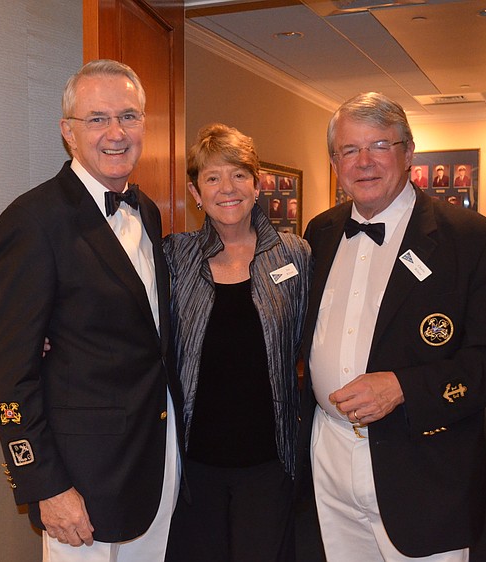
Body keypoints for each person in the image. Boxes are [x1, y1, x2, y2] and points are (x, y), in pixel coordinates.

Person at [298, 92, 486, 561]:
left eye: (379, 145)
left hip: (422, 463)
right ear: (334, 161)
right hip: (330, 455)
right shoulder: (320, 232)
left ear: (408, 152)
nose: (364, 162)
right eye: (348, 150)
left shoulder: (474, 240)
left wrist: (404, 386)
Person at [0, 59, 184, 562]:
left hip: (154, 457)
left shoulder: (148, 210)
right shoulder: (33, 222)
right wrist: (44, 484)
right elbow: (11, 372)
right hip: (79, 478)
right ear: (68, 133)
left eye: (129, 116)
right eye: (97, 119)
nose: (116, 133)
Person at [163, 123, 311, 562]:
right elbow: (131, 314)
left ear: (258, 182)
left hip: (269, 460)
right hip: (194, 461)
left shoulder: (294, 254)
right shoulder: (175, 255)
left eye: (238, 175)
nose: (227, 188)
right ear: (195, 192)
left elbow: (318, 335)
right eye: (212, 178)